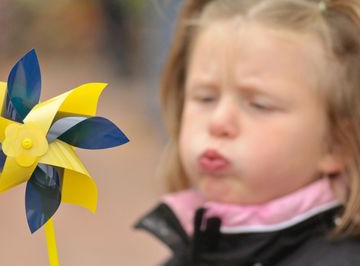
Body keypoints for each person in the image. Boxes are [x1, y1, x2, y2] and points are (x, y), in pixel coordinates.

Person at [135, 0, 360, 265]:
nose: (218, 121)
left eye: (258, 105)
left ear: (336, 144)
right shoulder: (196, 245)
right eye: (206, 98)